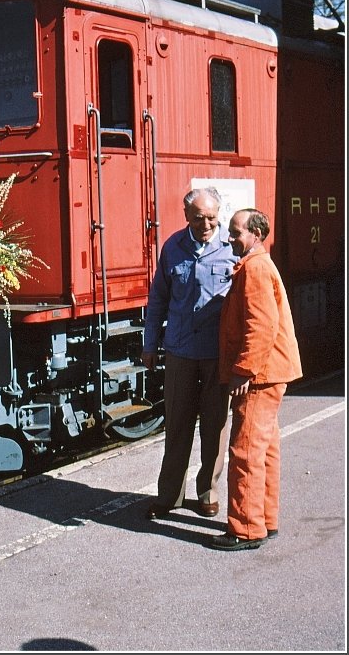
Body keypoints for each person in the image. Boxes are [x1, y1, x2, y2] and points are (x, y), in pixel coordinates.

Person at [142, 187, 236, 519]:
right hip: (180, 350)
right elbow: (157, 300)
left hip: (216, 354)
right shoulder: (172, 247)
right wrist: (149, 344)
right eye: (199, 218)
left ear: (219, 214)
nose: (206, 224)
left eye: (212, 217)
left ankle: (208, 490)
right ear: (187, 217)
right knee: (177, 426)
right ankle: (169, 496)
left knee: (215, 426)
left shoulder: (233, 249)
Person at [211, 209, 302, 551]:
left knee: (245, 451)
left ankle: (246, 530)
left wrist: (242, 371)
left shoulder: (255, 269)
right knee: (265, 449)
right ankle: (265, 519)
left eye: (235, 233)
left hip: (260, 375)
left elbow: (260, 327)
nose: (229, 238)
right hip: (272, 370)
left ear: (256, 234)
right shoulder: (258, 265)